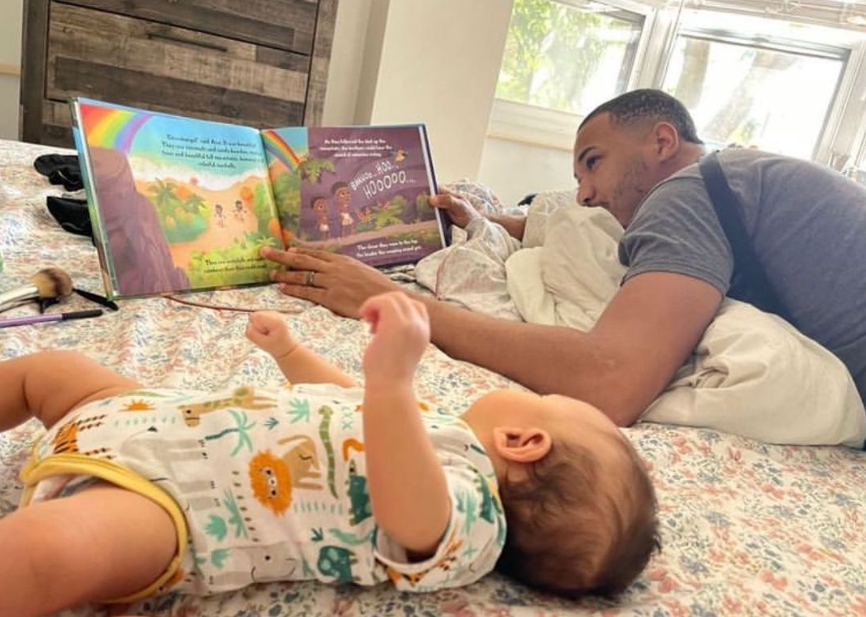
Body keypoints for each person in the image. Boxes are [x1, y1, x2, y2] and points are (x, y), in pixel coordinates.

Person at [0, 292, 658, 616]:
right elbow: (348, 399)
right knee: (52, 371)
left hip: (176, 508)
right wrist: (290, 352)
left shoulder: (475, 520)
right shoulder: (427, 428)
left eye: (543, 399)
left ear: (523, 440)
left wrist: (393, 381)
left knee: (48, 552)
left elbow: (414, 515)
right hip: (147, 417)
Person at [261, 89, 866, 428]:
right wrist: (491, 222)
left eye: (593, 163)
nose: (584, 194)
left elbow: (612, 381)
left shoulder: (686, 192)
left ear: (662, 141)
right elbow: (579, 229)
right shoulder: (740, 177)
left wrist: (393, 301)